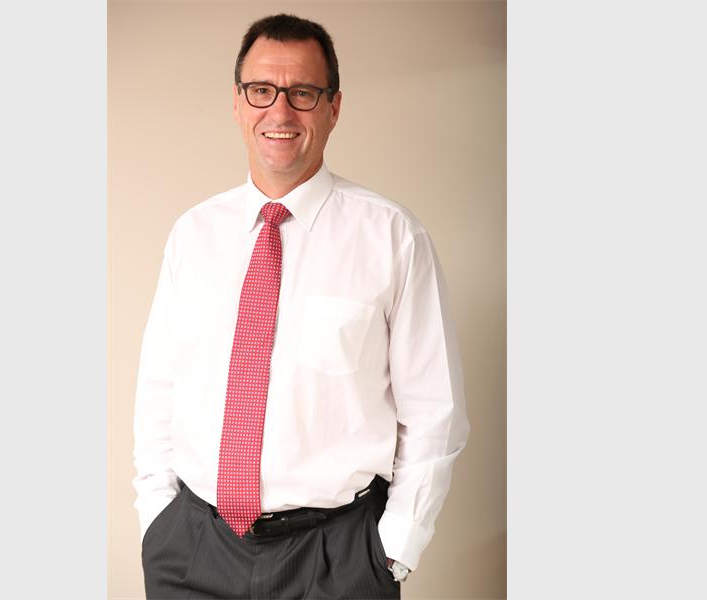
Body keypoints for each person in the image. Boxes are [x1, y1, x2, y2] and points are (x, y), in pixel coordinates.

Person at [132, 13, 470, 599]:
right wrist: (157, 519)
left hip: (335, 560)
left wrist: (394, 551)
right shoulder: (193, 235)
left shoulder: (392, 237)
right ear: (237, 102)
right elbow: (160, 388)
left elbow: (434, 412)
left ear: (334, 107)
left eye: (303, 93)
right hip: (192, 548)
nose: (280, 112)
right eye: (261, 90)